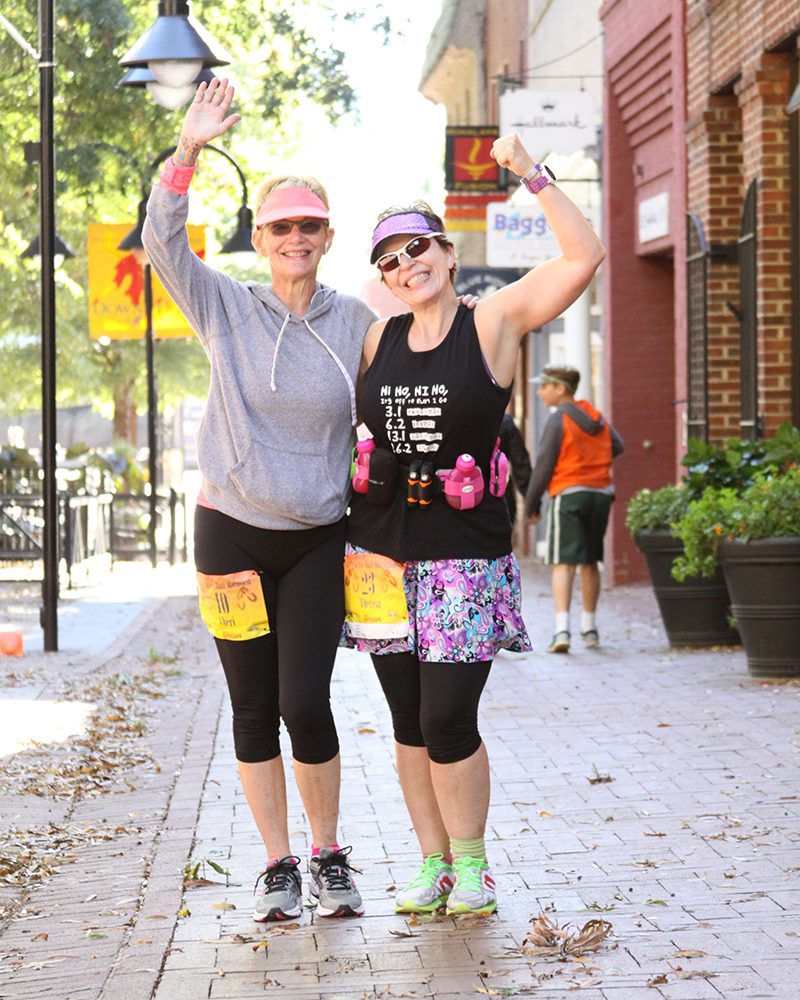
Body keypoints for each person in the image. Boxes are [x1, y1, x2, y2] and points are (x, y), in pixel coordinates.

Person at [341, 135, 606, 916]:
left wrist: (531, 174)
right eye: (389, 259)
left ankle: (473, 864)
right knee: (407, 721)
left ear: (447, 254)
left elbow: (583, 256)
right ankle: (432, 866)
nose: (404, 266)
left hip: (463, 556)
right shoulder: (373, 337)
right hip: (381, 557)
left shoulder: (490, 321)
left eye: (416, 248)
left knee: (448, 716)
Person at [142, 79, 376, 922]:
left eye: (309, 225)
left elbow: (410, 374)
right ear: (260, 236)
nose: (295, 237)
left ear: (327, 237)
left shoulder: (355, 322)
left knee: (303, 701)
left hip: (316, 536)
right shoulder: (226, 308)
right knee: (251, 707)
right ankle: (277, 864)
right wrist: (188, 151)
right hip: (230, 536)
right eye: (281, 225)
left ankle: (329, 852)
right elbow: (162, 244)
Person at [525, 364, 625, 653]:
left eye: (544, 386)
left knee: (563, 562)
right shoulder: (597, 417)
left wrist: (532, 503)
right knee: (590, 560)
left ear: (560, 389)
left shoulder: (559, 419)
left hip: (568, 492)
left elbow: (544, 465)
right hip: (600, 494)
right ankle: (589, 627)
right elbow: (616, 445)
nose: (540, 391)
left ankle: (561, 631)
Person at [498, 412, 532, 531]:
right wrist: (531, 502)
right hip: (499, 493)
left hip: (463, 491)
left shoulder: (455, 418)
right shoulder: (503, 421)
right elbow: (520, 463)